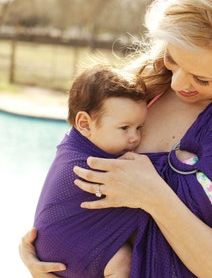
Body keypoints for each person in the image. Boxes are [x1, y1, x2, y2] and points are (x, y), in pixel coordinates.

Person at [19, 0, 212, 277]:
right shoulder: (137, 89)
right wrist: (41, 251)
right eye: (172, 59)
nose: (177, 83)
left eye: (201, 79)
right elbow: (69, 170)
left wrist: (155, 197)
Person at [32, 62, 148, 278]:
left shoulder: (72, 144)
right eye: (125, 128)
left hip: (50, 242)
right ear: (85, 124)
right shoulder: (90, 163)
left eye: (139, 127)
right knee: (122, 263)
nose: (135, 137)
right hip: (64, 247)